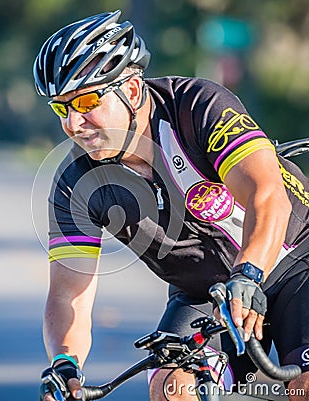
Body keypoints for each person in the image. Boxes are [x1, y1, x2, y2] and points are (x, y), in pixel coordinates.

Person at [33, 10, 309, 401]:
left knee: (304, 388)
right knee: (171, 388)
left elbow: (268, 196)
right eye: (62, 108)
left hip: (297, 260)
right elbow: (67, 295)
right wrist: (65, 365)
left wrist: (248, 275)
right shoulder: (76, 183)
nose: (74, 123)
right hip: (203, 292)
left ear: (130, 89)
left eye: (86, 101)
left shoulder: (196, 106)